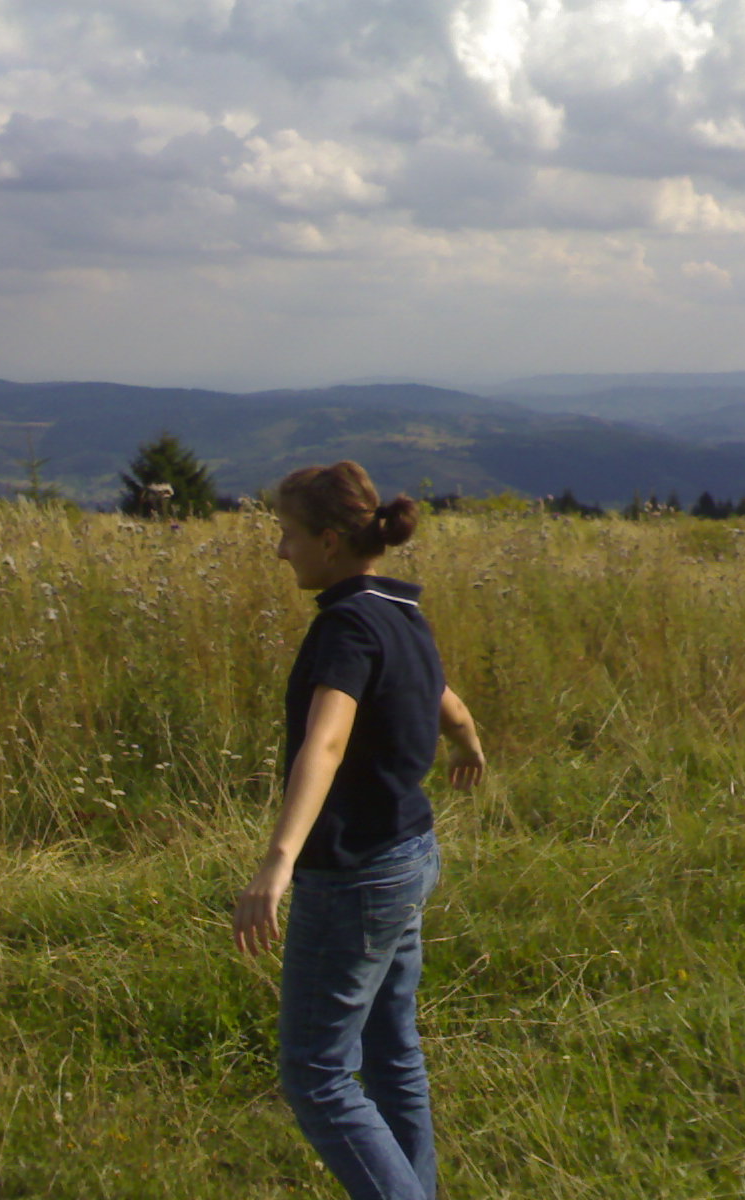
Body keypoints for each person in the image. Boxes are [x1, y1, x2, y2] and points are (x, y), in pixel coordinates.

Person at [233, 461, 485, 1200]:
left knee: (315, 1074)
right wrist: (469, 744)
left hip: (355, 875)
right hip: (408, 854)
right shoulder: (400, 612)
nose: (281, 550)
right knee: (390, 1050)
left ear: (331, 541)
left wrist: (278, 860)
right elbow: (444, 698)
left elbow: (328, 741)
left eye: (288, 535)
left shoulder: (344, 626)